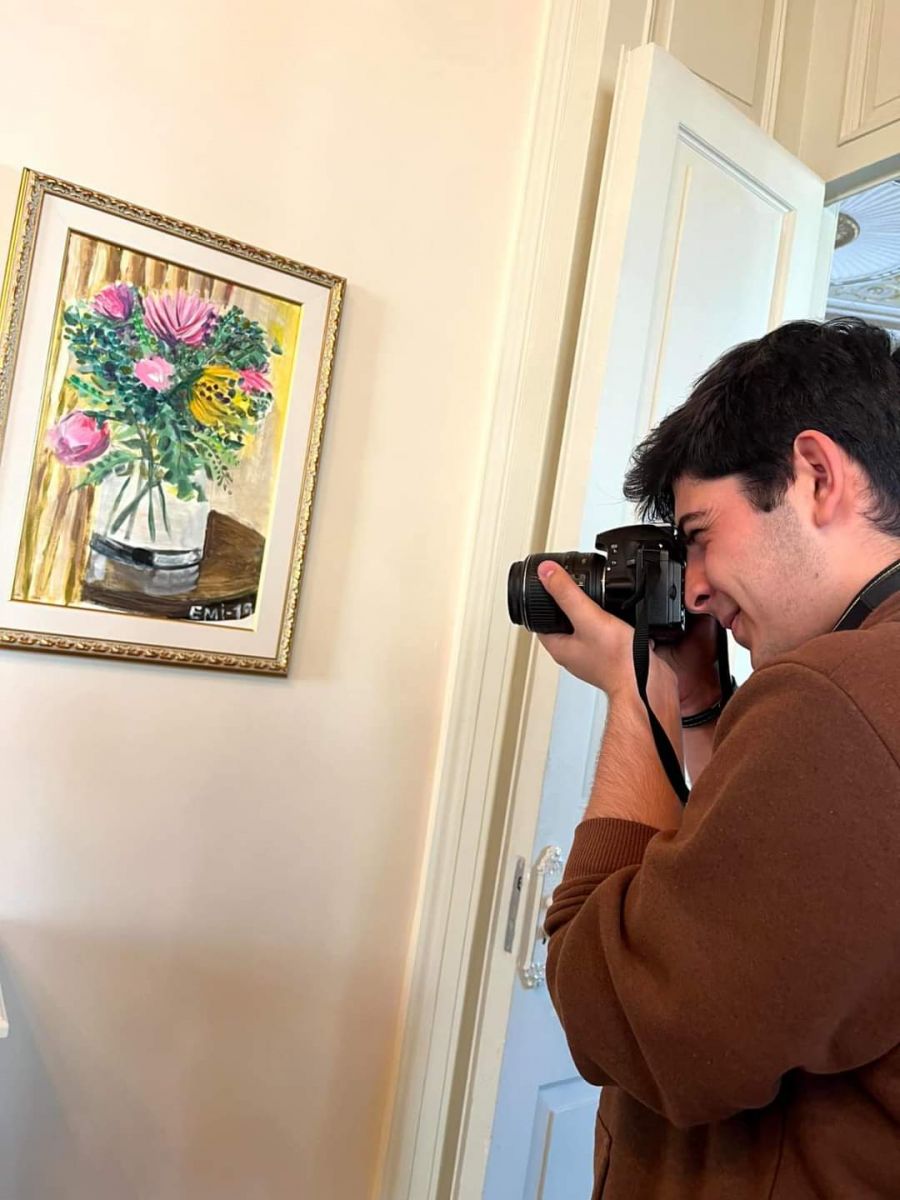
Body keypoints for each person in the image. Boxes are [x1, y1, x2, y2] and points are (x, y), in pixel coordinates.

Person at [538, 318, 900, 1199]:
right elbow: (768, 912)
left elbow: (621, 1020)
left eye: (700, 533)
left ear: (816, 475)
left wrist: (637, 695)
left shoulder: (839, 694)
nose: (694, 587)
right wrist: (698, 694)